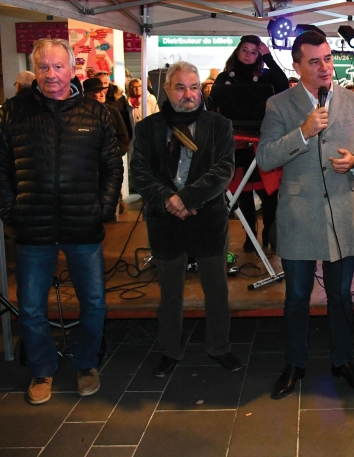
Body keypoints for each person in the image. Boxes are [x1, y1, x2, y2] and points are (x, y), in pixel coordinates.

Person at [0, 38, 123, 405]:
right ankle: (42, 370)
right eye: (44, 67)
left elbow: (113, 166)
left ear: (72, 69)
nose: (51, 74)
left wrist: (102, 208)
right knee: (31, 306)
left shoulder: (95, 113)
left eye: (58, 66)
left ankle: (86, 364)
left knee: (94, 302)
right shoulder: (15, 111)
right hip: (33, 226)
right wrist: (10, 210)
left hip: (83, 225)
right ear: (35, 69)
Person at [256, 30, 354, 400]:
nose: (325, 67)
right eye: (315, 61)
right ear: (296, 66)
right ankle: (294, 363)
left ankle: (342, 361)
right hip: (298, 213)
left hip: (342, 213)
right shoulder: (279, 105)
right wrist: (303, 131)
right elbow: (265, 157)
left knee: (341, 296)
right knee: (297, 296)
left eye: (328, 59)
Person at [130, 61, 241, 378]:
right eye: (180, 87)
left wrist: (186, 198)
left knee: (217, 290)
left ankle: (219, 346)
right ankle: (169, 350)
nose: (189, 94)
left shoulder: (219, 125)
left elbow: (223, 170)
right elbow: (139, 173)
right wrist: (169, 200)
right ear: (167, 90)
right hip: (165, 222)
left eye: (194, 87)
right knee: (170, 294)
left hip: (207, 219)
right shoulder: (147, 128)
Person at [210, 35, 288, 252]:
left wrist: (269, 58)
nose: (249, 55)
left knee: (270, 191)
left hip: (263, 141)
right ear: (237, 51)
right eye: (245, 50)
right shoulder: (224, 77)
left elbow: (283, 85)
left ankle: (269, 230)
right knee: (242, 190)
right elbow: (214, 104)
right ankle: (250, 234)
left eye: (254, 52)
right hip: (236, 143)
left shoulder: (265, 76)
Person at [83, 77, 130, 157]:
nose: (102, 94)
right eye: (98, 92)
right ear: (88, 95)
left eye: (102, 91)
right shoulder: (79, 112)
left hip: (110, 160)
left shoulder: (112, 111)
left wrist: (115, 155)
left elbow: (123, 137)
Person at [97, 71, 133, 142]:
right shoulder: (91, 97)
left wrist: (126, 139)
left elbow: (125, 119)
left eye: (105, 83)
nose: (103, 86)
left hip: (115, 138)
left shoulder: (118, 97)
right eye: (100, 83)